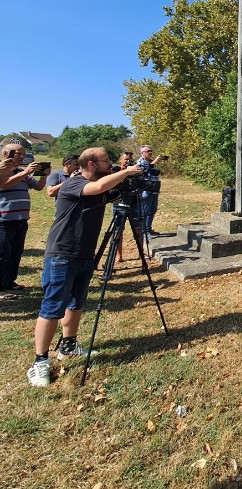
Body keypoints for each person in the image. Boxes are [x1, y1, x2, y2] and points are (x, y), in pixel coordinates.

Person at [26, 147, 143, 387]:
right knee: (52, 306)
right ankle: (40, 362)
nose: (110, 164)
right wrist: (127, 171)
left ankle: (68, 346)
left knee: (76, 302)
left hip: (85, 254)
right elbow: (99, 188)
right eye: (105, 161)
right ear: (90, 163)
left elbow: (108, 192)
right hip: (62, 254)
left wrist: (130, 186)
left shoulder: (98, 184)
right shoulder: (73, 183)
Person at [0, 143, 47, 291]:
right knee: (3, 254)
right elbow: (4, 185)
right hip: (4, 220)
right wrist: (25, 172)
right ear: (6, 154)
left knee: (15, 253)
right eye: (18, 154)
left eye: (23, 154)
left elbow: (38, 187)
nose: (21, 157)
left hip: (21, 219)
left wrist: (43, 175)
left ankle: (9, 282)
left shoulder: (21, 172)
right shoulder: (3, 171)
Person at [135, 145, 165, 236]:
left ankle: (148, 229)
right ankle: (144, 231)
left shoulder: (151, 162)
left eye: (151, 151)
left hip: (154, 189)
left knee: (153, 210)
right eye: (147, 151)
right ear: (142, 153)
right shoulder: (140, 162)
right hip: (146, 190)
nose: (150, 152)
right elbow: (144, 171)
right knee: (145, 211)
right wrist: (154, 163)